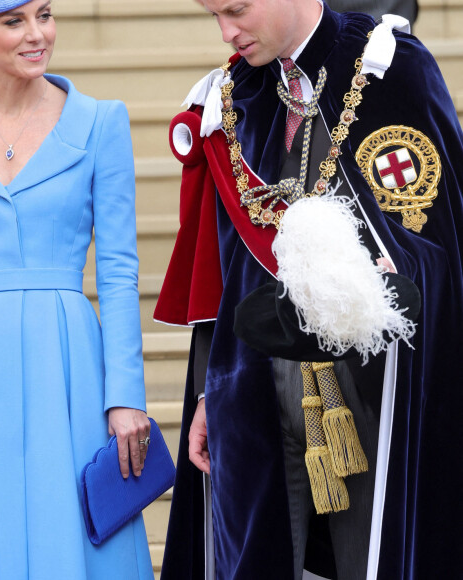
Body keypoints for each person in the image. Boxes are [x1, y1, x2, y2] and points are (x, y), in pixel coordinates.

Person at [154, 0, 463, 578]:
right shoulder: (232, 97)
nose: (226, 32)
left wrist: (392, 272)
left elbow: (439, 237)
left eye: (237, 10)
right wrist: (204, 393)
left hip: (373, 379)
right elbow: (218, 271)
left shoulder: (388, 68)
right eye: (213, 14)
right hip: (256, 385)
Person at [0, 0, 154, 578]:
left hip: (68, 367)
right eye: (14, 21)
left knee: (77, 544)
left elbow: (118, 271)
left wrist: (126, 393)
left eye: (44, 14)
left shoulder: (100, 121)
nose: (38, 34)